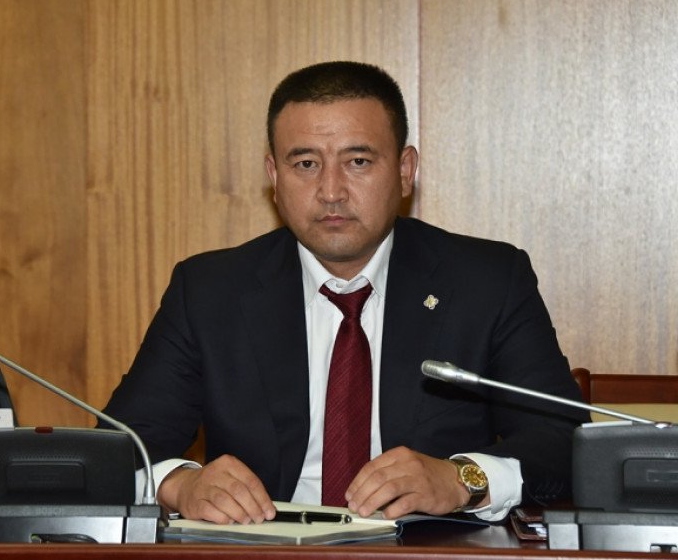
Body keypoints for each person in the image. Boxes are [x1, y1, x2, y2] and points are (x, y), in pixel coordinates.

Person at [102, 61, 588, 526]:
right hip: (262, 548)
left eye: (358, 161)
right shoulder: (211, 290)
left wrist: (461, 478)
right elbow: (115, 449)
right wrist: (181, 485)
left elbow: (563, 442)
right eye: (305, 163)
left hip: (427, 549)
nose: (331, 191)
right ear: (274, 177)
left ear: (405, 170)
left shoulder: (486, 281)